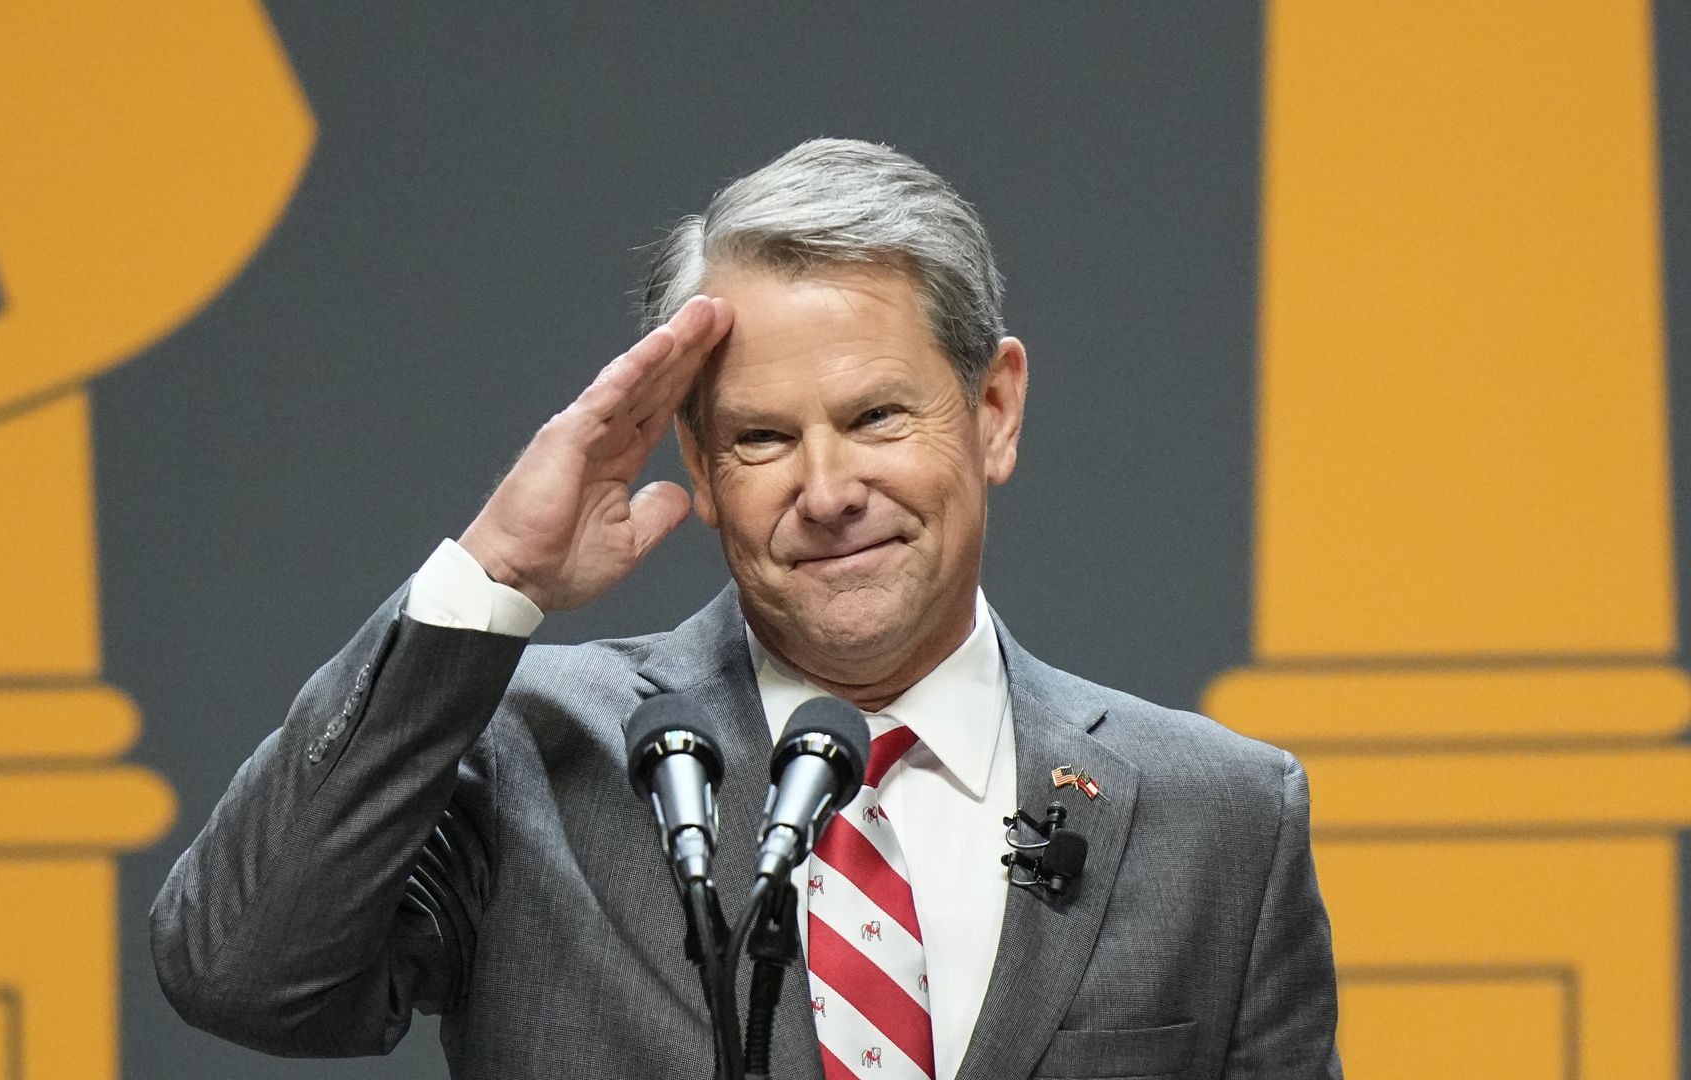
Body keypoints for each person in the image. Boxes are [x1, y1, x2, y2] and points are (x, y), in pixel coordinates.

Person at [152, 139, 1342, 1080]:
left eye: (877, 418)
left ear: (994, 410)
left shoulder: (1220, 818)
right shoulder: (533, 755)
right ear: (702, 466)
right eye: (764, 438)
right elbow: (240, 972)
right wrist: (493, 574)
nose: (828, 493)